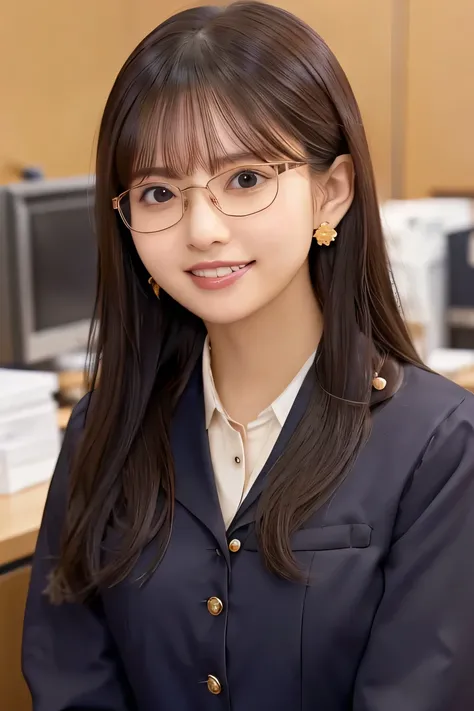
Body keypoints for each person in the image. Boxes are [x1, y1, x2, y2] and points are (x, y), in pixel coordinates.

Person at [22, 3, 474, 710]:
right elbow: (69, 682)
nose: (203, 229)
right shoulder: (102, 430)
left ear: (331, 191)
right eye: (160, 192)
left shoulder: (439, 448)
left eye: (244, 180)